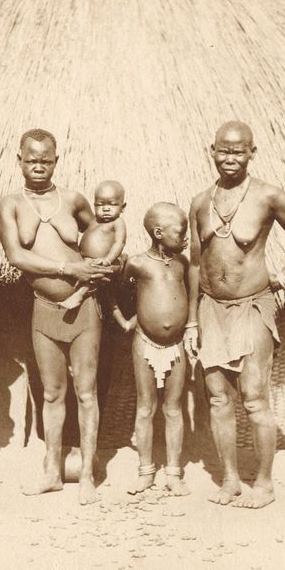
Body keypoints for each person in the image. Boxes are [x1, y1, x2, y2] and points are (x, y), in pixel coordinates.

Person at [186, 121, 285, 509]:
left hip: (252, 305)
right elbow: (195, 263)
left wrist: (284, 275)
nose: (230, 158)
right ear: (212, 151)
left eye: (239, 151)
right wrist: (193, 320)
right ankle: (229, 479)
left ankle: (263, 483)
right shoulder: (199, 202)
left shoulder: (269, 196)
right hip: (211, 308)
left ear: (252, 153)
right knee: (217, 400)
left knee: (255, 398)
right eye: (223, 151)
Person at [0, 128, 115, 505]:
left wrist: (104, 261)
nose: (38, 167)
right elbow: (17, 256)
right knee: (51, 393)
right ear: (19, 160)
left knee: (86, 391)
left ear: (56, 161)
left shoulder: (74, 200)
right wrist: (68, 271)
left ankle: (87, 480)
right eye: (31, 161)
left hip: (84, 310)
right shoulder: (11, 204)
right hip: (44, 310)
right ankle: (51, 471)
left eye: (45, 161)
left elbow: (103, 231)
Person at [120, 203, 191, 497]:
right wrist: (128, 319)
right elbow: (120, 293)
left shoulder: (182, 264)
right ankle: (145, 471)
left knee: (174, 408)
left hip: (176, 346)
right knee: (146, 407)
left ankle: (173, 472)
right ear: (159, 233)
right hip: (144, 343)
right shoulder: (137, 264)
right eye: (180, 232)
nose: (186, 237)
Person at [58, 181, 127, 320]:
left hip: (104, 262)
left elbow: (120, 243)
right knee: (108, 297)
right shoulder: (94, 220)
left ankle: (79, 295)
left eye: (112, 204)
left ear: (123, 207)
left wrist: (107, 259)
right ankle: (121, 322)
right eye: (100, 205)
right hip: (87, 260)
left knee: (94, 277)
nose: (106, 209)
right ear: (94, 204)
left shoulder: (118, 222)